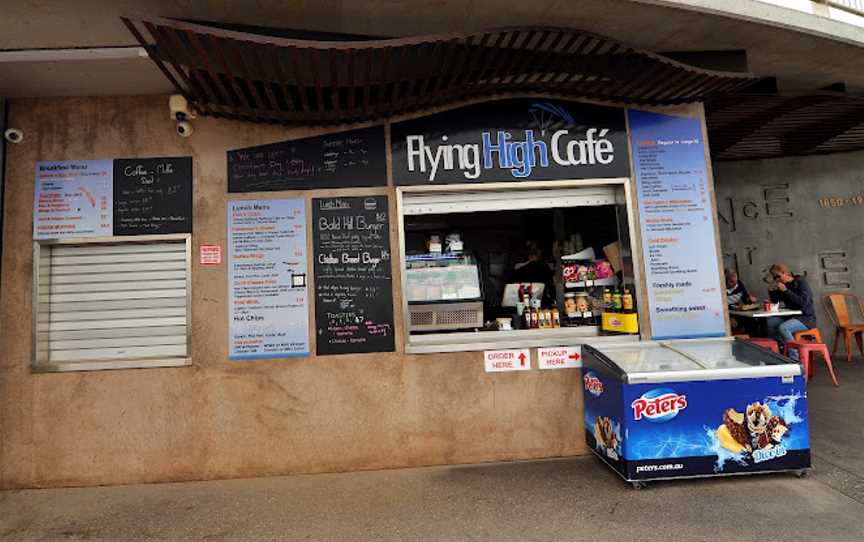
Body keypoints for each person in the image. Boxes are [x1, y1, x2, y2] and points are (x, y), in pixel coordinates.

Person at [765, 263, 817, 345]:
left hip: (806, 318)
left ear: (785, 273)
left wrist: (786, 291)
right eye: (774, 277)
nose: (777, 279)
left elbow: (803, 302)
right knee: (770, 322)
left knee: (784, 328)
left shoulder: (801, 283)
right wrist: (771, 291)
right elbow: (775, 301)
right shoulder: (783, 285)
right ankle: (781, 349)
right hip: (790, 316)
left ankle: (793, 356)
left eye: (778, 276)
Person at [725, 269, 756, 334]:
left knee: (753, 321)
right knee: (735, 324)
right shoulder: (721, 288)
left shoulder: (739, 284)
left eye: (736, 281)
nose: (734, 284)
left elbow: (746, 300)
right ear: (725, 280)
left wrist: (750, 300)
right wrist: (728, 318)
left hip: (736, 312)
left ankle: (753, 342)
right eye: (731, 282)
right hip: (727, 314)